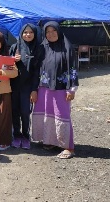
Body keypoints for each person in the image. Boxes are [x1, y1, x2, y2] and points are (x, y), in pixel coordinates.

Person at [31, 21, 78, 159]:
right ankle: (50, 141)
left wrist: (72, 89)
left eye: (53, 31)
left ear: (59, 31)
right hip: (43, 88)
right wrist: (34, 89)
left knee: (62, 116)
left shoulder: (67, 47)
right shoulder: (42, 48)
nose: (50, 34)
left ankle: (68, 147)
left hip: (61, 88)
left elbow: (73, 68)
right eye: (47, 32)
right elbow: (36, 70)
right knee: (47, 115)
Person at [9, 23, 40, 150]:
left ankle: (26, 136)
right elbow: (6, 66)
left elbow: (37, 71)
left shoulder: (38, 48)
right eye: (25, 32)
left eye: (30, 32)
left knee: (25, 112)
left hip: (28, 87)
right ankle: (16, 135)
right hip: (14, 86)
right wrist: (12, 60)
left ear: (35, 34)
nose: (28, 35)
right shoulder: (15, 46)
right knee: (14, 112)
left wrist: (34, 89)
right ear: (21, 34)